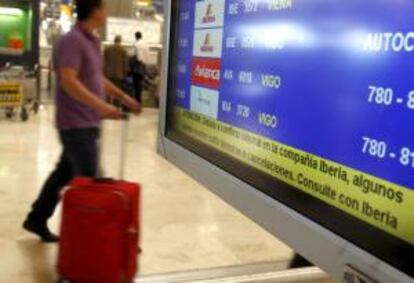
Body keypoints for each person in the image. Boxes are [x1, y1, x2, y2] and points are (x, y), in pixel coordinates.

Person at [22, 0, 141, 242]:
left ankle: (36, 218)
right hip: (75, 124)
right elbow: (68, 80)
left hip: (87, 122)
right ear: (96, 10)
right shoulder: (72, 41)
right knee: (92, 182)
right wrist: (103, 107)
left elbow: (95, 78)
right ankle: (95, 244)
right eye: (104, 7)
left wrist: (123, 97)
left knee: (63, 174)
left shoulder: (92, 41)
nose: (106, 12)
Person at [104, 35, 129, 105]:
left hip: (108, 73)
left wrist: (104, 71)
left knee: (108, 89)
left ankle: (107, 104)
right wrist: (125, 74)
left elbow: (104, 61)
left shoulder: (107, 49)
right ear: (120, 41)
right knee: (117, 90)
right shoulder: (123, 50)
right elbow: (125, 64)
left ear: (114, 40)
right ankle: (116, 104)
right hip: (119, 74)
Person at [131, 31, 146, 103]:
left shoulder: (136, 44)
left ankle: (136, 101)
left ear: (136, 36)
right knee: (140, 85)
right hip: (143, 67)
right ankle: (139, 101)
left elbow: (134, 55)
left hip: (137, 66)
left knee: (135, 85)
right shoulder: (145, 44)